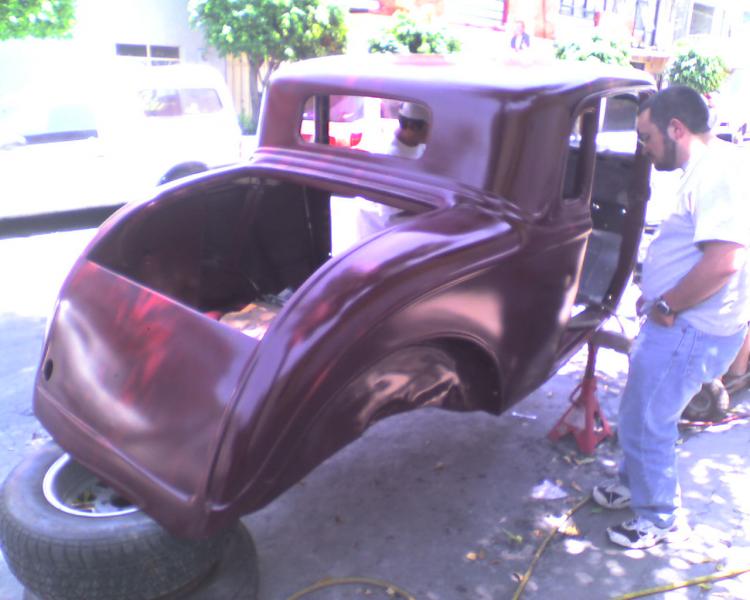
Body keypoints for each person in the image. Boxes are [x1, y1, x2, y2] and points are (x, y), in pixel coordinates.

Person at [592, 85, 750, 549]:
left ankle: (659, 516)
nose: (644, 148)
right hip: (684, 323)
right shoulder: (711, 166)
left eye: (647, 137)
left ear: (676, 129)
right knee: (640, 410)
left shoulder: (716, 174)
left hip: (689, 328)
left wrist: (669, 304)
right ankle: (634, 485)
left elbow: (724, 261)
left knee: (649, 420)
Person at [354, 101, 429, 239]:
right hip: (381, 233)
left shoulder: (418, 145)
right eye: (429, 128)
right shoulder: (389, 158)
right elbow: (393, 215)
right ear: (412, 127)